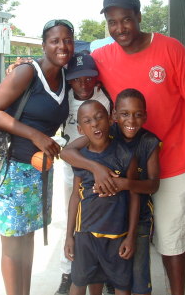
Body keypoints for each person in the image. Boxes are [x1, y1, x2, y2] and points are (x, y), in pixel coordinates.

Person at [87, 0, 185, 295]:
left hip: (172, 163)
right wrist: (25, 71)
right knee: (122, 235)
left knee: (172, 238)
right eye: (113, 23)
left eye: (126, 20)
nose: (120, 29)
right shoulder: (101, 57)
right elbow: (72, 79)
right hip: (125, 169)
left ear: (139, 17)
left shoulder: (171, 49)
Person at [0, 19, 74, 295]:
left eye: (67, 40)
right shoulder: (26, 72)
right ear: (43, 45)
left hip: (39, 170)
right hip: (12, 168)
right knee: (12, 241)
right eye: (55, 41)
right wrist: (35, 135)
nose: (62, 46)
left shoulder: (66, 76)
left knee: (28, 238)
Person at [62, 88, 160, 295]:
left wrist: (123, 184)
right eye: (124, 114)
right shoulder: (95, 139)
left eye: (137, 114)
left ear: (107, 119)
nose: (130, 120)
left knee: (132, 280)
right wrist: (96, 168)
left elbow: (150, 187)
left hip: (125, 227)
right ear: (114, 117)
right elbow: (67, 154)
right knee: (87, 279)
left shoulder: (138, 148)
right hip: (89, 231)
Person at [54, 52, 112, 295]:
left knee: (103, 219)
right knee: (74, 219)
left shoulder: (103, 100)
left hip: (100, 169)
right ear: (70, 81)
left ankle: (107, 273)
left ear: (96, 79)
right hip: (73, 169)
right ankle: (68, 272)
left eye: (88, 78)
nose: (83, 84)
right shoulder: (64, 98)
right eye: (78, 79)